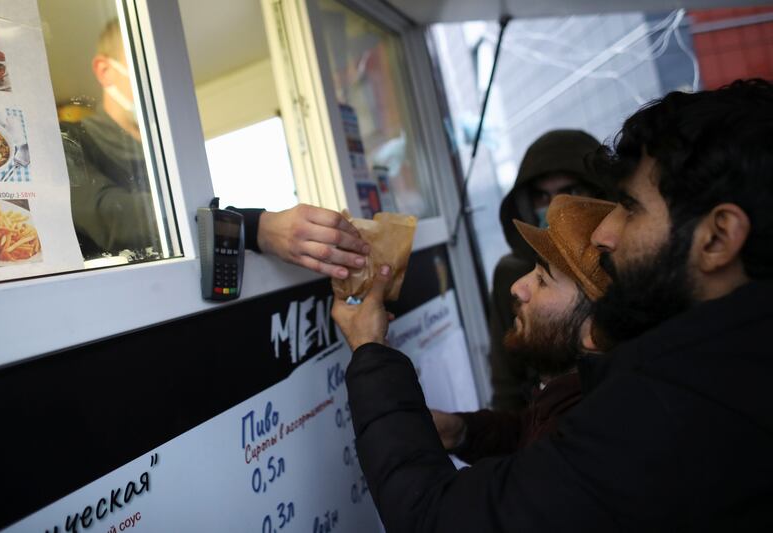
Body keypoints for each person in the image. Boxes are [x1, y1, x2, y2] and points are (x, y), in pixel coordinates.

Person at [331, 79, 773, 531]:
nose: (604, 234)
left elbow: (439, 518)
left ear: (718, 237)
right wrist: (467, 432)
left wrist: (371, 349)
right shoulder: (713, 369)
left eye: (630, 207)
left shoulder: (669, 412)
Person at [61, 20, 367, 278]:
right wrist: (256, 226)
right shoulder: (70, 141)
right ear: (104, 71)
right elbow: (114, 219)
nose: (159, 85)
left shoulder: (170, 154)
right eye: (146, 68)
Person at [432, 194, 615, 460]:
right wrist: (460, 431)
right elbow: (524, 432)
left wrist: (369, 345)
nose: (517, 287)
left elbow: (459, 501)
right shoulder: (564, 398)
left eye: (542, 280)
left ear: (595, 331)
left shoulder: (581, 442)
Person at [490, 129, 612, 412]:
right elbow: (505, 384)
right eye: (541, 196)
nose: (554, 206)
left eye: (569, 192)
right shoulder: (510, 273)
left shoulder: (627, 262)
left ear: (598, 190)